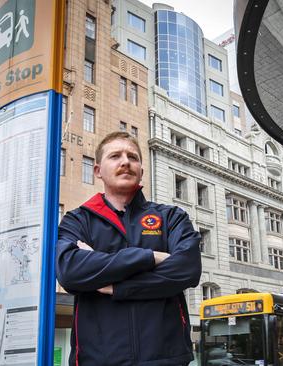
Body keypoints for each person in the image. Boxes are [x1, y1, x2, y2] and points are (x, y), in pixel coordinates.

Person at [56, 131, 202, 365]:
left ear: (141, 171)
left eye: (132, 157)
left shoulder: (171, 217)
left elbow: (187, 268)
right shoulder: (77, 220)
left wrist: (117, 286)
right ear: (97, 171)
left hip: (166, 359)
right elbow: (70, 271)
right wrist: (150, 257)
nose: (125, 161)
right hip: (97, 360)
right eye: (115, 156)